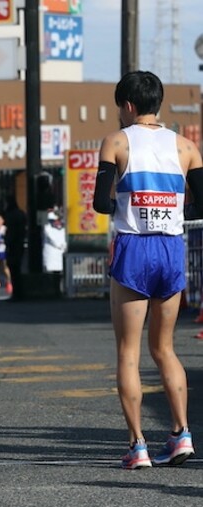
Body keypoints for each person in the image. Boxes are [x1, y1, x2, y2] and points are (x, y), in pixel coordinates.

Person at [93, 70, 203, 469]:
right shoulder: (187, 146)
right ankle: (181, 434)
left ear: (127, 105)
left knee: (128, 352)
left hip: (134, 247)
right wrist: (171, 210)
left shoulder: (116, 141)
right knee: (165, 348)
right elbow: (200, 206)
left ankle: (137, 444)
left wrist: (129, 203)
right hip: (171, 247)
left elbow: (101, 205)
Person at [2, 194, 26, 300]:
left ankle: (17, 292)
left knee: (13, 268)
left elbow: (10, 231)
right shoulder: (21, 214)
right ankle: (19, 292)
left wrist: (7, 240)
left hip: (12, 244)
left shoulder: (10, 214)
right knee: (17, 267)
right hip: (19, 243)